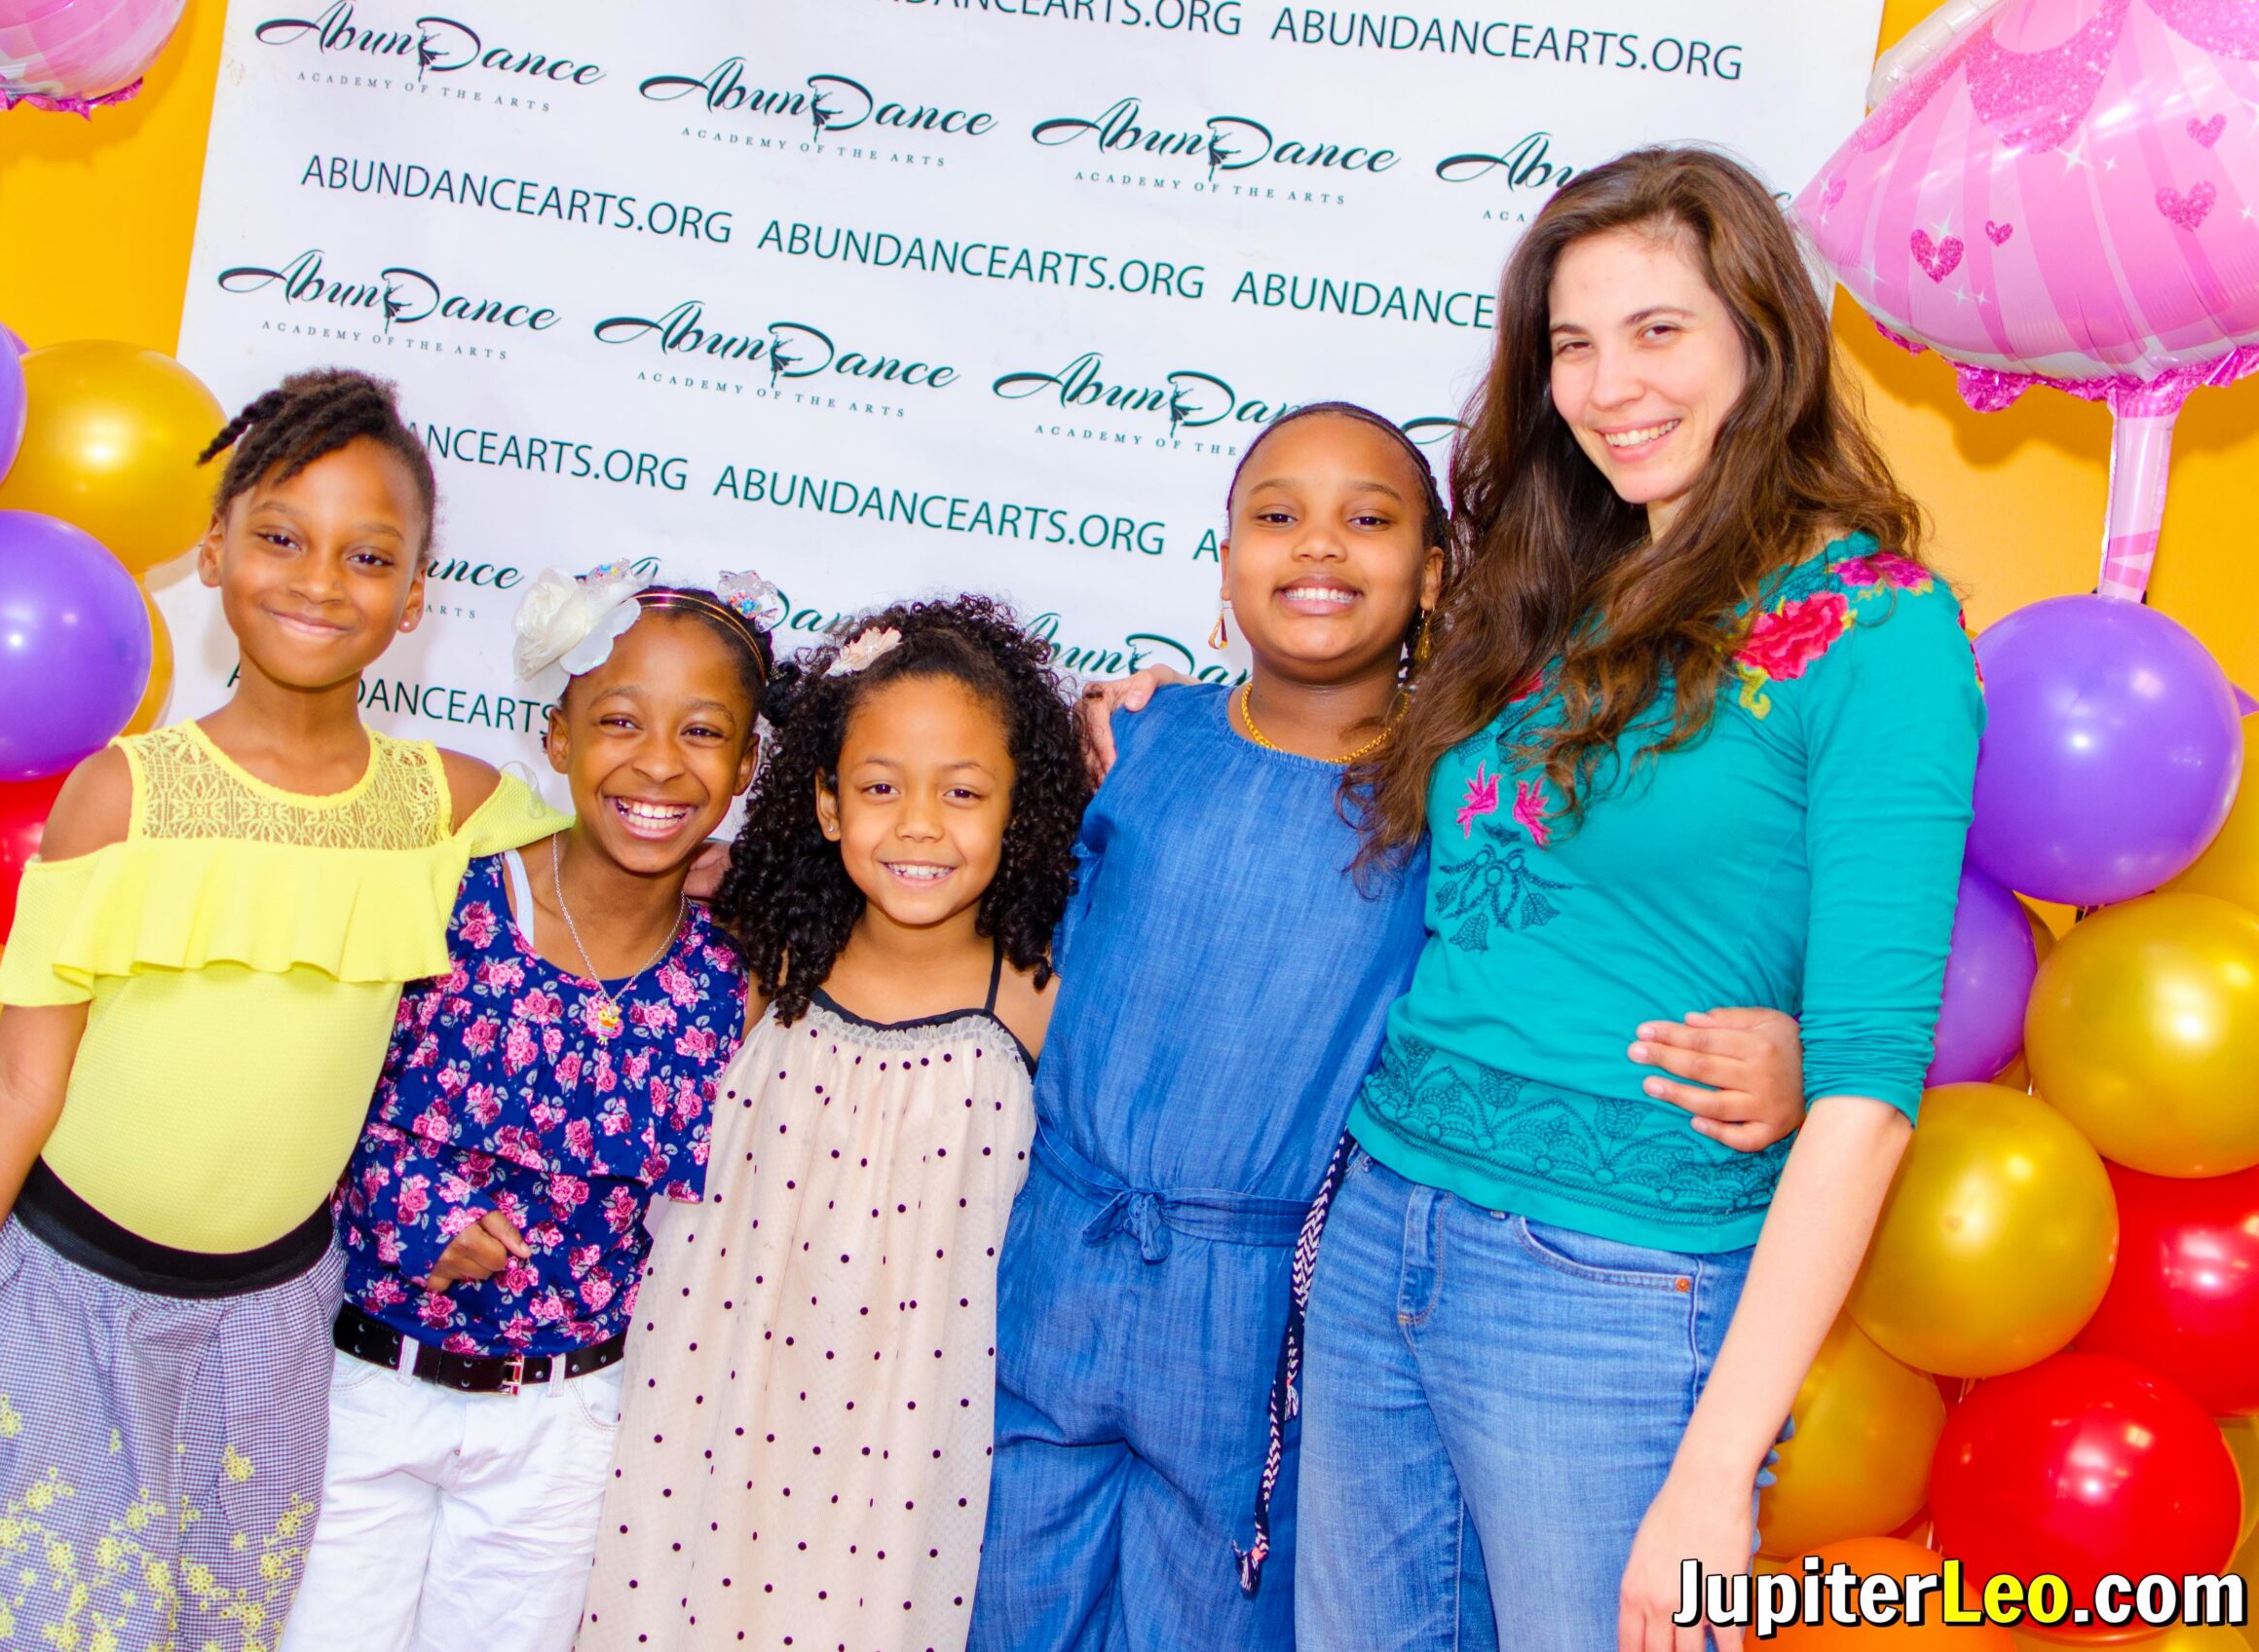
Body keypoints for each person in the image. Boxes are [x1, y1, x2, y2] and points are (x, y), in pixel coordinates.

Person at [973, 401, 1812, 1652]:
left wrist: (1791, 1044)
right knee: (1013, 1595)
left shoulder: (1458, 790)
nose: (1319, 547)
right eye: (1277, 516)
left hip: (1262, 1305)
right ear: (1223, 559)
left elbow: (1591, 946)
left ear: (1431, 577)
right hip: (1060, 1252)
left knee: (1214, 1615)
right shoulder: (1142, 738)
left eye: (1368, 520)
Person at [1295, 148, 1983, 1652]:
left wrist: (1713, 1474)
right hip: (1382, 1225)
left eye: (1659, 331)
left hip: (1611, 1289)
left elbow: (1870, 1088)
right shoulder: (1559, 579)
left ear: (1765, 334)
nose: (1610, 388)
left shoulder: (1879, 627)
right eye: (1574, 345)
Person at [0, 369, 569, 1651]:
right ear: (216, 550)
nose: (316, 578)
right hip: (65, 1303)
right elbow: (17, 1083)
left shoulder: (447, 803)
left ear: (412, 600)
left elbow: (636, 867)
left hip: (274, 1324)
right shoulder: (124, 795)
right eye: (281, 536)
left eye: (367, 556)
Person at [280, 569, 788, 1652]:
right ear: (555, 738)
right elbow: (319, 1086)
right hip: (369, 1393)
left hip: (562, 1431)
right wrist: (414, 1206)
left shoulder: (730, 975)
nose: (658, 761)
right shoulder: (455, 893)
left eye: (703, 732)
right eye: (617, 720)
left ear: (747, 765)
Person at [583, 595, 1089, 1652]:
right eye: (878, 788)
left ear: (1019, 809)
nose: (916, 824)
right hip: (712, 1395)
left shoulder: (1041, 996)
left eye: (961, 792)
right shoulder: (758, 961)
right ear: (823, 803)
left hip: (907, 1433)